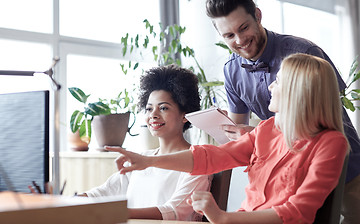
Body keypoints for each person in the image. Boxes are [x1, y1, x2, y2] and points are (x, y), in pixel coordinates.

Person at [106, 53, 349, 224]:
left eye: (278, 81)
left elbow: (298, 212)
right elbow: (213, 157)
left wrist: (223, 217)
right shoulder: (267, 129)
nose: (270, 87)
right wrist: (148, 161)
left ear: (298, 92)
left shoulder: (331, 143)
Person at [205, 0, 360, 223]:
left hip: (342, 167)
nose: (240, 40)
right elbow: (239, 134)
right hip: (286, 180)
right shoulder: (232, 71)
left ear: (257, 15)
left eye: (244, 28)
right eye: (229, 36)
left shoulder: (303, 53)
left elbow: (328, 117)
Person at [79, 64, 212, 221]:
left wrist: (119, 213)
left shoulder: (197, 162)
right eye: (149, 109)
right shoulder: (140, 159)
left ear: (185, 115)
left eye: (163, 108)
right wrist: (65, 201)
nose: (153, 115)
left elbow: (174, 212)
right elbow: (102, 194)